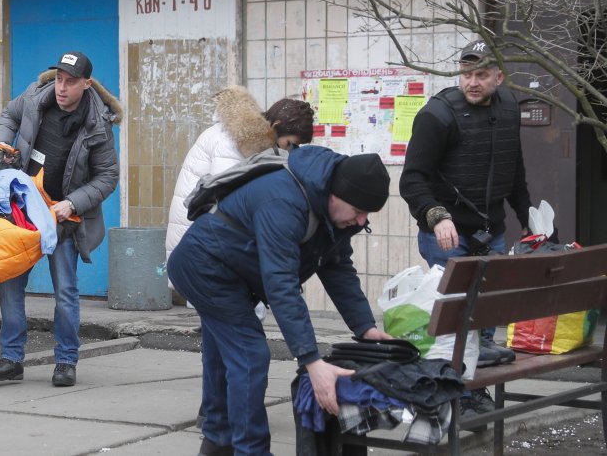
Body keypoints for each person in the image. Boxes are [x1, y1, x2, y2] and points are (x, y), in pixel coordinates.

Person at [167, 146, 394, 456]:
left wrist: (365, 327)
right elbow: (281, 283)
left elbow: (337, 266)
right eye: (358, 210)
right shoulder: (284, 201)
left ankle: (218, 441)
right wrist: (312, 360)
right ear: (334, 194)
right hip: (205, 266)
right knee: (249, 354)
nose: (361, 220)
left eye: (368, 214)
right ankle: (251, 450)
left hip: (234, 272)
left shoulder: (335, 211)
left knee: (224, 355)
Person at [399, 39, 532, 416]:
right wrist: (437, 216)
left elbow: (514, 168)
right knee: (457, 325)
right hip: (447, 233)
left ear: (498, 77)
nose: (472, 82)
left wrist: (529, 219)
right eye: (466, 73)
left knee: (484, 326)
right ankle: (457, 400)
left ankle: (474, 395)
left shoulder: (508, 108)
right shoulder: (438, 115)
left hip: (492, 231)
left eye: (482, 74)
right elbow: (411, 180)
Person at [0, 51, 121, 388]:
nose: (61, 87)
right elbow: (8, 114)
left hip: (63, 219)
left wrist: (71, 203)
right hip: (23, 211)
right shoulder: (34, 98)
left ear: (86, 85)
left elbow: (108, 176)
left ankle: (66, 361)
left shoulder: (98, 126)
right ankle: (12, 358)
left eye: (70, 82)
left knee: (66, 292)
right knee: (10, 283)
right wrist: (3, 140)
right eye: (59, 79)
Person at [165, 88, 315, 272]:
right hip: (198, 238)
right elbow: (224, 197)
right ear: (276, 125)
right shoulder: (232, 140)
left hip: (205, 237)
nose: (291, 151)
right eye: (290, 143)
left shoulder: (248, 139)